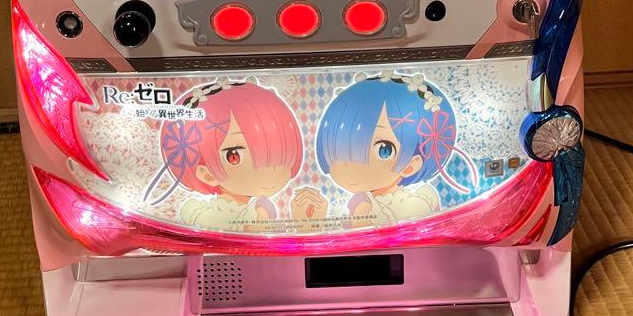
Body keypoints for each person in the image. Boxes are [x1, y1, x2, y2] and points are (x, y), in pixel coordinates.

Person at [291, 73, 475, 228]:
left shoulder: (421, 198)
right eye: (338, 147)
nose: (349, 164)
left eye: (384, 150)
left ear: (411, 165)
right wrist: (310, 224)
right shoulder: (363, 204)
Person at [147, 81, 304, 231]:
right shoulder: (195, 210)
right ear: (207, 174)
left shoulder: (260, 208)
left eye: (279, 150)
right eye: (234, 156)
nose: (270, 169)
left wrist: (302, 221)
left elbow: (262, 234)